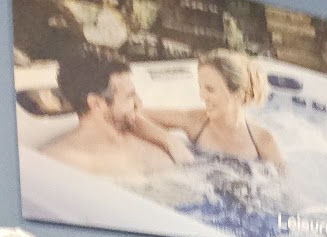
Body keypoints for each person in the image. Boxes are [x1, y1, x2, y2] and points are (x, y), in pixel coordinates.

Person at [43, 44, 178, 177]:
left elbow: (183, 166)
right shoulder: (61, 163)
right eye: (129, 96)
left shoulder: (142, 142)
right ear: (96, 103)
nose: (139, 103)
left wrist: (165, 138)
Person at [138, 49, 285, 170]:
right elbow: (135, 114)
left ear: (238, 95)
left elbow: (284, 188)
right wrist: (168, 140)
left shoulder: (263, 141)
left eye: (210, 89)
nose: (202, 96)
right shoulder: (195, 122)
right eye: (201, 87)